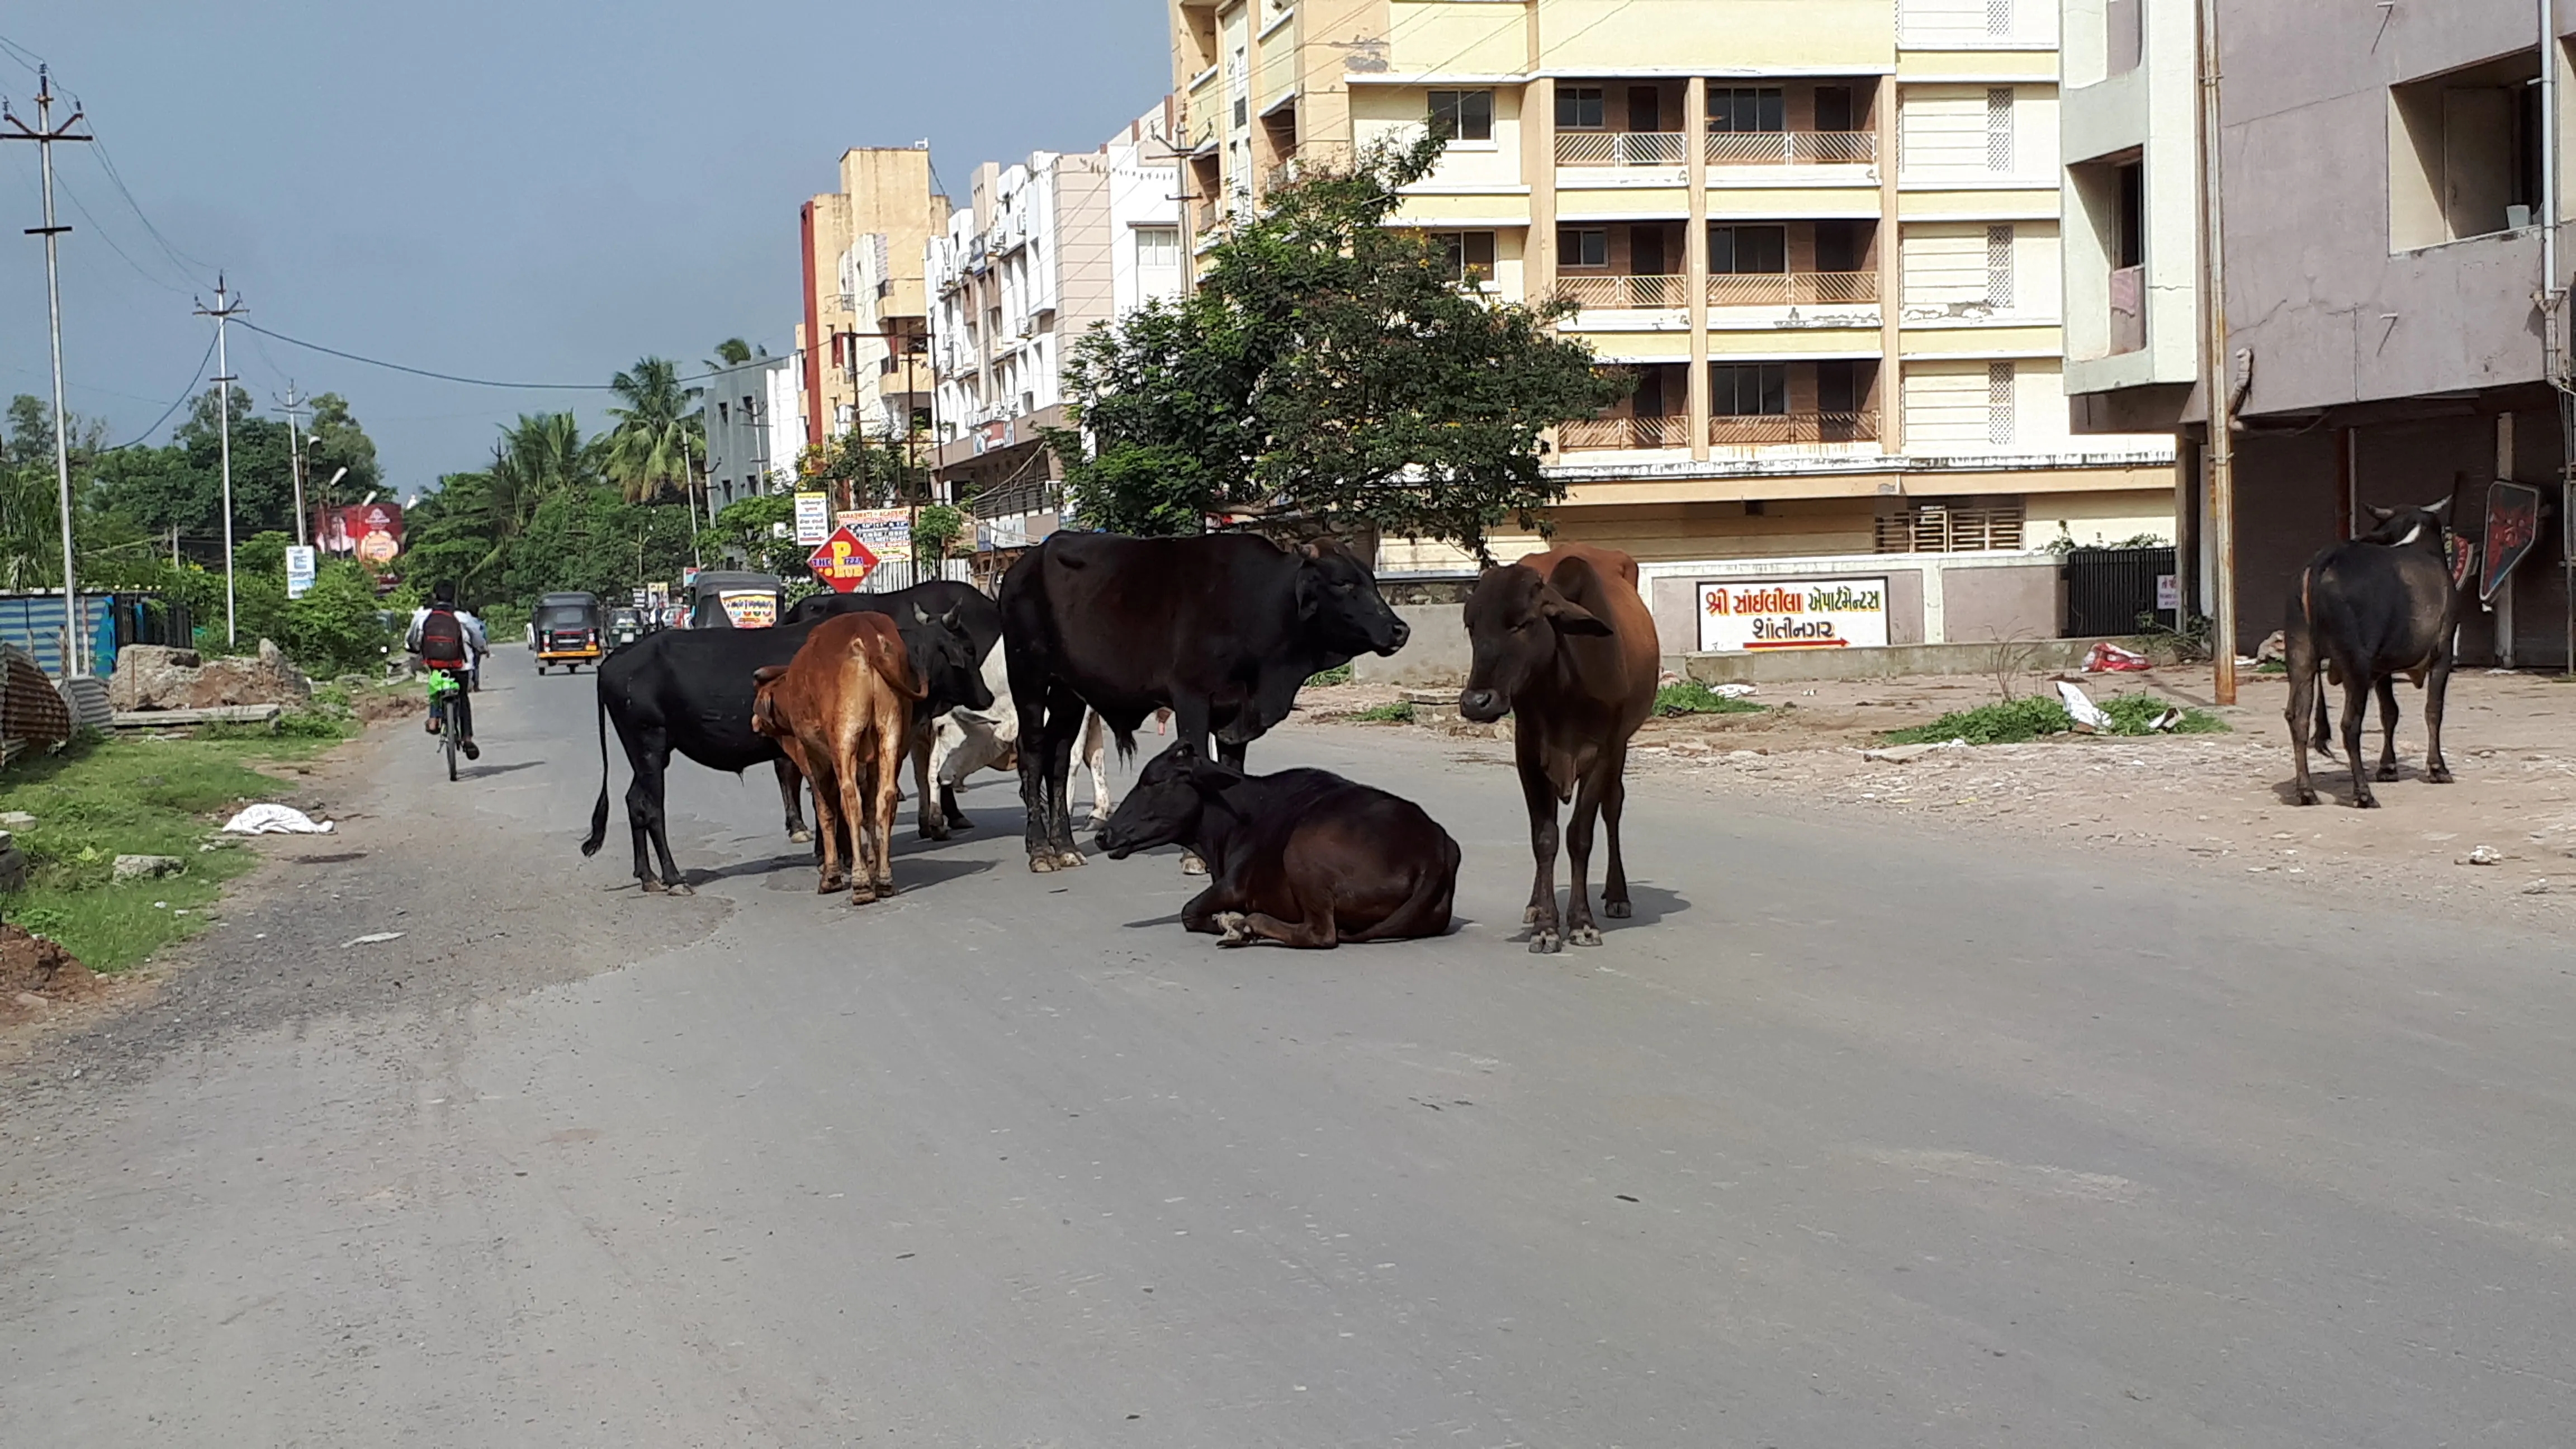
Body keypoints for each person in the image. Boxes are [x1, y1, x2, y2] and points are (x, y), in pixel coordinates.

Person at [406, 583, 487, 759]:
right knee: (463, 699)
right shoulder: (463, 617)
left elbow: (412, 639)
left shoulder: (423, 615)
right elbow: (478, 639)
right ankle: (467, 738)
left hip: (436, 664)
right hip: (461, 666)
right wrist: (482, 649)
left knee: (436, 688)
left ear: (435, 596)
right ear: (453, 597)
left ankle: (434, 720)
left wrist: (413, 648)